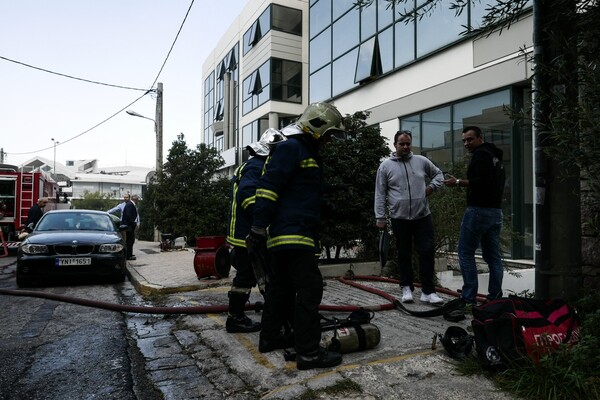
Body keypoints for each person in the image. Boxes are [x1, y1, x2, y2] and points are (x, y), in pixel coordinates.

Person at [246, 102, 345, 370]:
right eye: (329, 135)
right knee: (310, 289)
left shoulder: (305, 152)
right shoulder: (293, 149)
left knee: (281, 289)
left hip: (290, 235)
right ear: (317, 128)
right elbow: (268, 188)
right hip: (294, 235)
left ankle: (270, 338)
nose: (330, 142)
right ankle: (309, 352)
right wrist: (258, 227)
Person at [225, 130, 286, 333]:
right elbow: (248, 195)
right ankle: (236, 318)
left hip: (245, 232)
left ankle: (240, 316)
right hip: (247, 234)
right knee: (246, 276)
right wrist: (263, 217)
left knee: (253, 274)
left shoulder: (254, 165)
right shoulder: (256, 167)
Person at [374, 130, 445, 304]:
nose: (405, 147)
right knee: (404, 254)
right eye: (402, 144)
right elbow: (380, 193)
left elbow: (439, 174)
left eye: (408, 144)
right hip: (400, 218)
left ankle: (428, 292)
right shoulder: (385, 166)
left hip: (422, 216)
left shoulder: (421, 161)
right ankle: (406, 288)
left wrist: (431, 188)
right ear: (395, 145)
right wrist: (380, 217)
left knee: (427, 252)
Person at [442, 125, 506, 314]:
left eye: (470, 139)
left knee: (465, 252)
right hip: (495, 213)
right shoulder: (496, 156)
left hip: (479, 211)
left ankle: (468, 298)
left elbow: (482, 183)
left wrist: (458, 182)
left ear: (480, 137)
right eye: (464, 140)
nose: (466, 143)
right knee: (493, 257)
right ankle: (495, 297)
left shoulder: (480, 155)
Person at [108, 194, 140, 259]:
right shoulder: (129, 205)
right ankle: (128, 255)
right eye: (124, 197)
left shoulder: (130, 204)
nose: (125, 198)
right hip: (128, 226)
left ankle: (129, 254)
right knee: (129, 241)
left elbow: (136, 215)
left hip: (129, 225)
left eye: (126, 197)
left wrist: (138, 223)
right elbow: (129, 215)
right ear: (136, 199)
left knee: (131, 240)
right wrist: (133, 223)